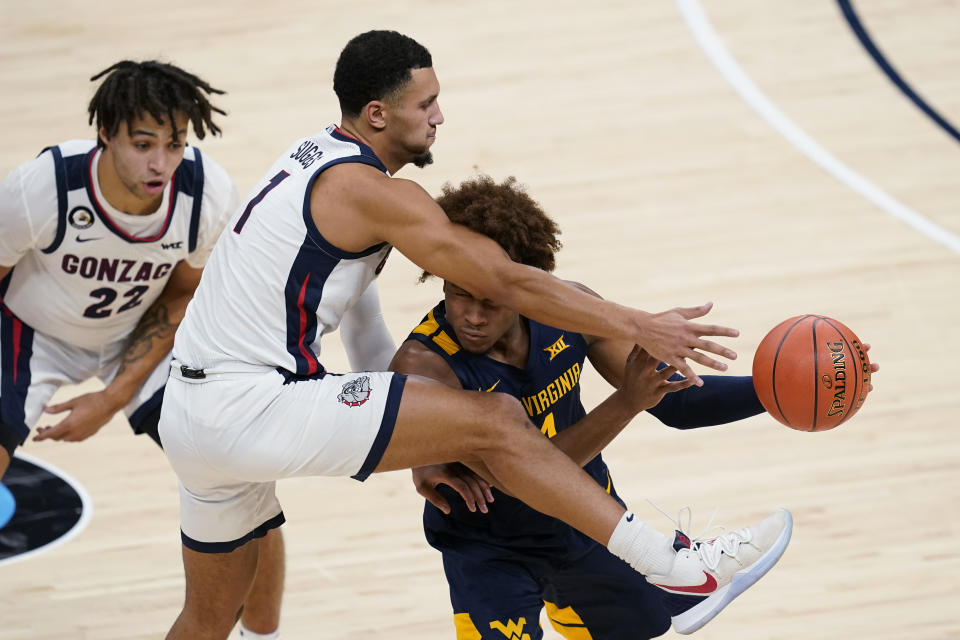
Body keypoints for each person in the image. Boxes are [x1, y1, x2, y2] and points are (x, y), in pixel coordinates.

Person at [157, 30, 790, 640]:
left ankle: (673, 571)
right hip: (252, 405)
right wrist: (638, 323)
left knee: (206, 621)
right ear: (378, 114)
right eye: (426, 104)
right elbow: (504, 280)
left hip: (189, 417)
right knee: (495, 420)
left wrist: (420, 443)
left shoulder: (314, 162)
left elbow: (362, 318)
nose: (439, 117)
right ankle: (677, 569)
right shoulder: (371, 189)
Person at [391, 174, 876, 638]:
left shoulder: (570, 310)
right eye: (456, 293)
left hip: (587, 526)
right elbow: (530, 478)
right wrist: (626, 402)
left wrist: (783, 391)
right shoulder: (426, 364)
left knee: (651, 623)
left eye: (489, 301)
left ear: (523, 288)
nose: (471, 316)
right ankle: (679, 572)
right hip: (490, 550)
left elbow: (674, 405)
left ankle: (679, 581)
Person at [0, 61, 284, 639]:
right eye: (143, 144)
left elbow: (181, 298)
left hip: (137, 330)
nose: (161, 163)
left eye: (175, 143)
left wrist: (112, 397)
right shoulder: (41, 187)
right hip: (31, 330)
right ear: (106, 135)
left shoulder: (206, 196)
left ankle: (265, 632)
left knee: (242, 473)